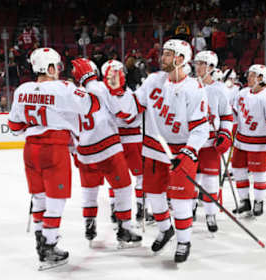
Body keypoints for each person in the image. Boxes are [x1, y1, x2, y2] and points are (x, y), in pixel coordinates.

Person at [106, 39, 209, 263]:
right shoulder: (153, 81)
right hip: (154, 148)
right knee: (154, 196)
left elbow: (201, 128)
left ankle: (183, 241)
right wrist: (118, 91)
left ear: (181, 59)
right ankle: (165, 229)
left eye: (168, 54)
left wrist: (189, 151)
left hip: (182, 151)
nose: (162, 58)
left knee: (180, 200)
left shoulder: (194, 88)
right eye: (163, 53)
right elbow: (132, 108)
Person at [7, 48, 100, 270]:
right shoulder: (64, 88)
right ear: (49, 68)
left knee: (39, 198)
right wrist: (89, 80)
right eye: (56, 66)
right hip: (54, 148)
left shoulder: (22, 90)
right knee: (56, 199)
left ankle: (40, 239)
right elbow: (93, 105)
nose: (58, 70)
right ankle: (49, 244)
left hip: (30, 149)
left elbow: (14, 127)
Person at [71, 59, 142, 248]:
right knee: (124, 186)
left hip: (84, 150)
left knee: (89, 189)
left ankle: (89, 223)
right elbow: (123, 113)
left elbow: (67, 127)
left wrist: (74, 151)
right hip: (108, 145)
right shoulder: (100, 88)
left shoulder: (69, 93)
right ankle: (125, 227)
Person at [100, 60, 153, 226]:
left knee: (116, 178)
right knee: (141, 176)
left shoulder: (101, 94)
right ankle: (141, 210)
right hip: (131, 141)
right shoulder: (126, 94)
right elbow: (128, 116)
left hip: (112, 142)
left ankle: (115, 210)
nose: (120, 75)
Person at [232, 64, 266, 217]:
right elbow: (235, 114)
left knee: (259, 174)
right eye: (249, 74)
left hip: (259, 143)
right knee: (238, 170)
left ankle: (259, 202)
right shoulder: (241, 94)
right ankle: (244, 201)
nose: (249, 77)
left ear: (261, 78)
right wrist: (229, 130)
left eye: (253, 75)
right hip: (241, 140)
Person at [192, 50, 233, 232]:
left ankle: (210, 214)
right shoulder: (189, 85)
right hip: (191, 140)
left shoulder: (219, 89)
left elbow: (226, 115)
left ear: (211, 67)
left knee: (209, 180)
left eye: (202, 64)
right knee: (191, 178)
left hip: (210, 142)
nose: (198, 67)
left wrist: (225, 134)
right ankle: (190, 209)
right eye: (197, 63)